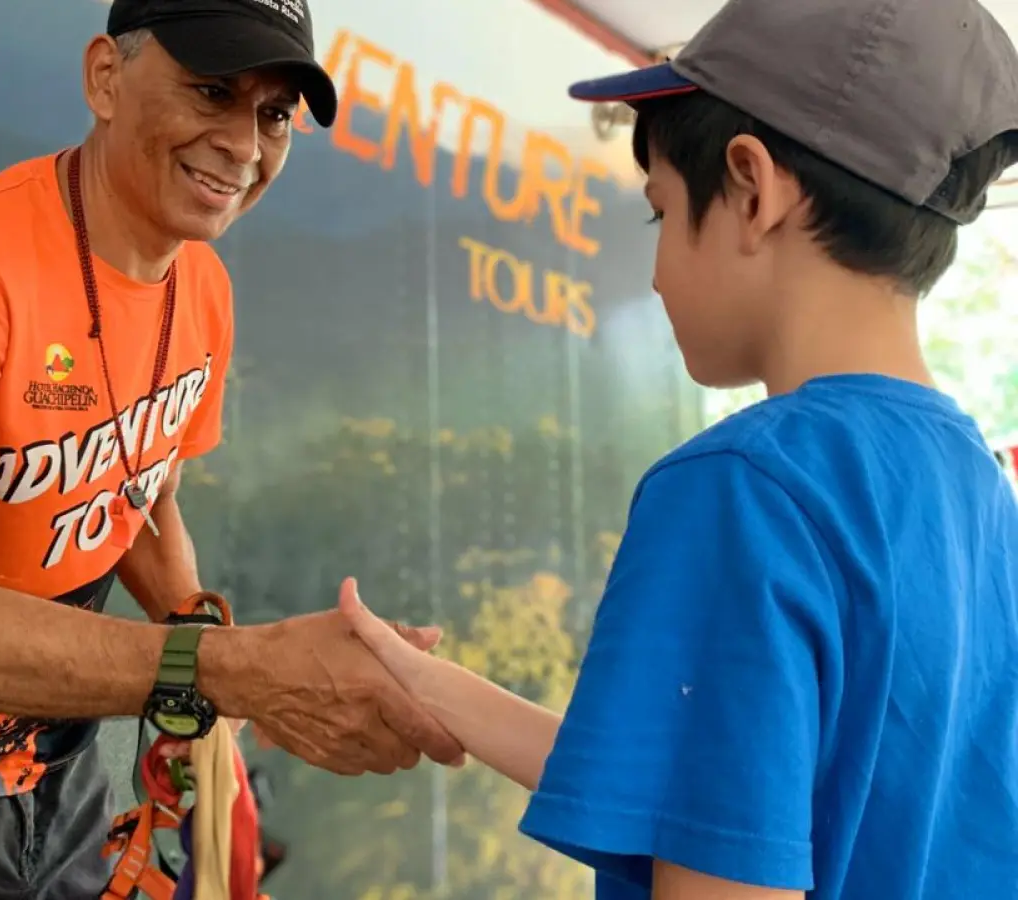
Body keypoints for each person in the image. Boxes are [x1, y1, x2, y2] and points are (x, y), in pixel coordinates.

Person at [340, 0, 1018, 898]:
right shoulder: (976, 486)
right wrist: (431, 686)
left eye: (659, 214)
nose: (655, 274)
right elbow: (731, 801)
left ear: (749, 186)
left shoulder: (742, 489)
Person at [0, 1, 461, 897]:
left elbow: (142, 498)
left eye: (274, 114)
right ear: (105, 79)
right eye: (211, 90)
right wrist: (233, 671)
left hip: (64, 771)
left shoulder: (203, 286)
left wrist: (211, 647)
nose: (243, 144)